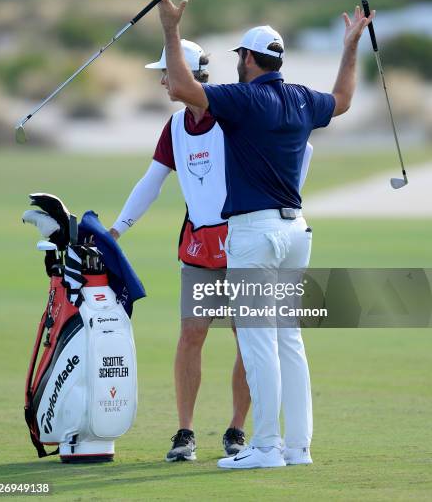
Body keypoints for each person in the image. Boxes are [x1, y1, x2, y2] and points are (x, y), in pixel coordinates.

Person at [152, 0, 375, 470]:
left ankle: (266, 447)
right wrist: (351, 46)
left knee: (258, 343)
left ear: (249, 59)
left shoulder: (243, 99)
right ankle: (299, 447)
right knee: (288, 341)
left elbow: (185, 89)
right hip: (297, 234)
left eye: (240, 56)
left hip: (254, 235)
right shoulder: (301, 99)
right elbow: (342, 99)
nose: (237, 62)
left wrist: (171, 32)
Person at [110, 39, 314, 463]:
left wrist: (284, 203)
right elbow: (153, 179)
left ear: (185, 73)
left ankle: (238, 430)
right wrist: (118, 229)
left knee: (248, 340)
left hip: (245, 239)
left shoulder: (233, 114)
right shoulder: (175, 126)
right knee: (192, 334)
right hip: (200, 246)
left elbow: (301, 150)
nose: (163, 80)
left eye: (166, 72)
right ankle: (185, 432)